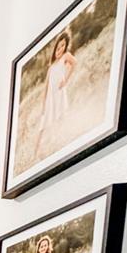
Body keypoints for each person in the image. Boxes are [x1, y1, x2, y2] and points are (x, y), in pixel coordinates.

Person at [33, 30, 76, 158]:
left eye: (63, 45)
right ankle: (36, 152)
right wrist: (43, 103)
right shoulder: (51, 66)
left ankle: (60, 142)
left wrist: (66, 80)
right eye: (59, 45)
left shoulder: (66, 56)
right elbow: (46, 86)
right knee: (43, 124)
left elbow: (75, 63)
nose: (61, 48)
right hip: (50, 98)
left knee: (61, 117)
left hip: (59, 93)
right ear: (56, 45)